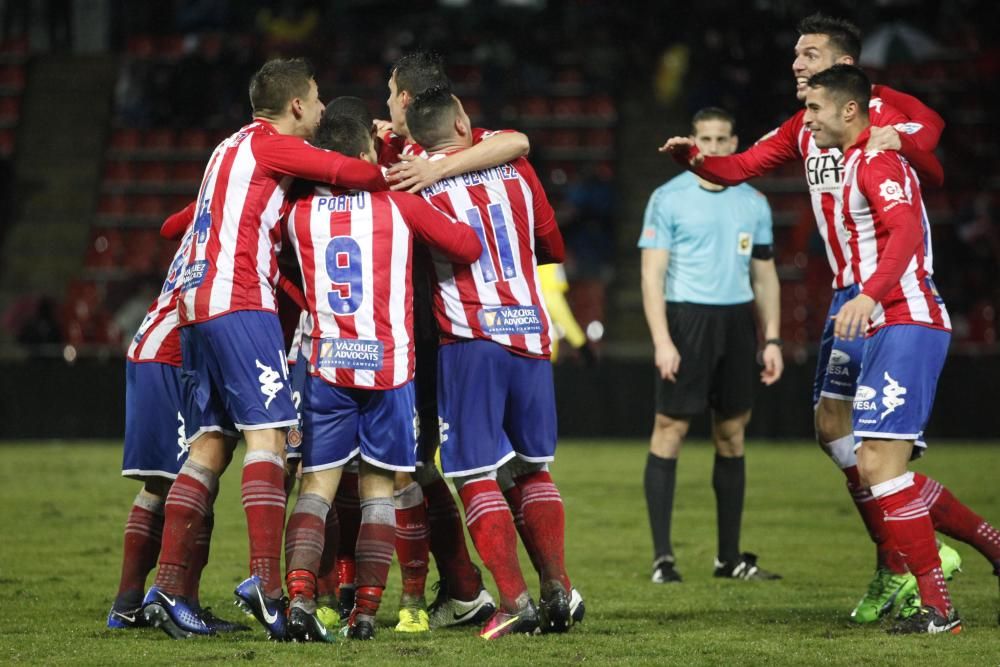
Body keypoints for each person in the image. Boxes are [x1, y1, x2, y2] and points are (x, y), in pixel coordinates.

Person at [657, 13, 965, 622]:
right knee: (831, 427)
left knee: (879, 457)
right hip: (848, 298)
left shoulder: (878, 114)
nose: (796, 63)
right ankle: (904, 543)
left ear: (844, 66)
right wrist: (696, 160)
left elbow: (932, 143)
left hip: (888, 295)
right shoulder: (807, 125)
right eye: (796, 54)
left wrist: (899, 141)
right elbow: (741, 166)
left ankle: (911, 562)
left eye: (809, 54)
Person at [142, 57, 387, 641]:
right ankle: (267, 587)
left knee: (208, 445)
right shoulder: (274, 145)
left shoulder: (227, 148)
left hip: (194, 304)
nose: (325, 109)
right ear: (297, 105)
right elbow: (357, 175)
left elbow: (176, 224)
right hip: (238, 299)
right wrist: (376, 151)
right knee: (270, 437)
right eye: (319, 98)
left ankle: (171, 592)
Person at [805, 63, 1000, 634]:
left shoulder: (877, 160)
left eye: (815, 108)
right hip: (888, 324)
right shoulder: (858, 160)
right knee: (877, 468)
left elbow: (909, 232)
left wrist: (868, 295)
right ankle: (981, 552)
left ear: (848, 110)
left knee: (878, 468)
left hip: (906, 320)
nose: (806, 118)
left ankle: (938, 608)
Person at [280, 115, 482, 641]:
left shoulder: (298, 212)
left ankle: (301, 600)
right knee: (380, 492)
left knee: (316, 488)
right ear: (369, 154)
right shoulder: (399, 203)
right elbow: (467, 245)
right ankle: (366, 614)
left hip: (327, 364)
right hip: (389, 369)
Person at [407, 86, 574, 639]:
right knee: (530, 466)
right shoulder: (516, 166)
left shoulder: (412, 179)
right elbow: (551, 244)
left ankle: (513, 601)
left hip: (470, 337)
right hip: (529, 331)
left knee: (474, 472)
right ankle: (557, 592)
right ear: (461, 120)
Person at [640, 107, 783, 584]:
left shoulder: (754, 203)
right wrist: (662, 341)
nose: (716, 147)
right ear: (693, 143)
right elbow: (652, 275)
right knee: (670, 429)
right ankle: (663, 559)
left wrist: (773, 339)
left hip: (736, 321)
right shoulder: (668, 198)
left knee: (731, 435)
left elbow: (764, 275)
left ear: (735, 142)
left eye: (724, 139)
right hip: (686, 318)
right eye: (707, 139)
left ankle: (729, 559)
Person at [107, 205, 245, 637]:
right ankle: (174, 601)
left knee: (166, 483)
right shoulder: (245, 214)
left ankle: (132, 604)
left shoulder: (213, 208)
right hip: (175, 350)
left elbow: (168, 226)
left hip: (153, 340)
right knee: (199, 472)